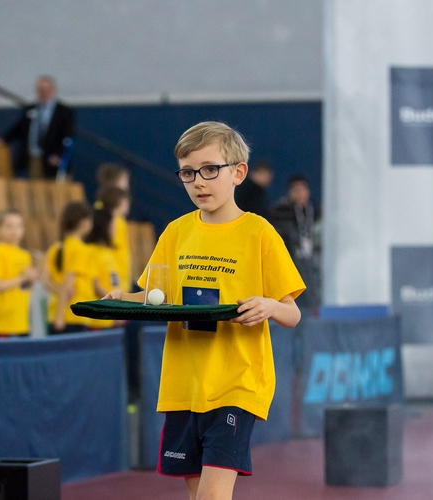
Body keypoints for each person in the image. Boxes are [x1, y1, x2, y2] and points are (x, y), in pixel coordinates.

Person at [104, 122, 305, 500]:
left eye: (210, 169)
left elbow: (292, 313)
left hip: (236, 384)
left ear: (238, 173)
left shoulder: (259, 233)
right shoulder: (176, 232)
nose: (199, 181)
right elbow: (156, 297)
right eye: (188, 172)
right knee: (198, 496)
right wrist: (120, 298)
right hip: (184, 385)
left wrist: (270, 305)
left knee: (213, 496)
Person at [0, 76, 75, 178]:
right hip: (34, 157)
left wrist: (59, 155)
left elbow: (67, 135)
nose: (44, 93)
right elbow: (19, 128)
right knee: (36, 186)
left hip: (52, 158)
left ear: (53, 90)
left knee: (53, 188)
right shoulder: (30, 109)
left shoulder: (64, 111)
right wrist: (3, 139)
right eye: (41, 90)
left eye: (46, 90)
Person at [271, 174, 321, 312]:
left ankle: (313, 310)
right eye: (295, 190)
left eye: (302, 189)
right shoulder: (282, 210)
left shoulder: (314, 210)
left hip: (310, 259)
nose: (299, 194)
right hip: (291, 259)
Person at [0, 209, 37, 337]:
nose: (14, 231)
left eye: (18, 226)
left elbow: (25, 287)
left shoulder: (25, 255)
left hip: (21, 321)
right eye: (9, 226)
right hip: (2, 322)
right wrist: (21, 278)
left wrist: (30, 279)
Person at [44, 201, 93, 334]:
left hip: (53, 314)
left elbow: (46, 281)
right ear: (84, 223)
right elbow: (68, 282)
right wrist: (60, 316)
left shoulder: (55, 248)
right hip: (74, 316)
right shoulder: (80, 250)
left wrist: (58, 292)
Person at [83, 208, 119, 330]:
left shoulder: (110, 252)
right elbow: (96, 285)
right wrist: (117, 306)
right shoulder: (91, 251)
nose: (115, 228)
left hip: (112, 316)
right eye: (113, 224)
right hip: (99, 319)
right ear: (105, 226)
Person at [96, 186, 132, 292]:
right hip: (113, 272)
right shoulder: (117, 222)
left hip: (116, 272)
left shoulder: (118, 221)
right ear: (120, 202)